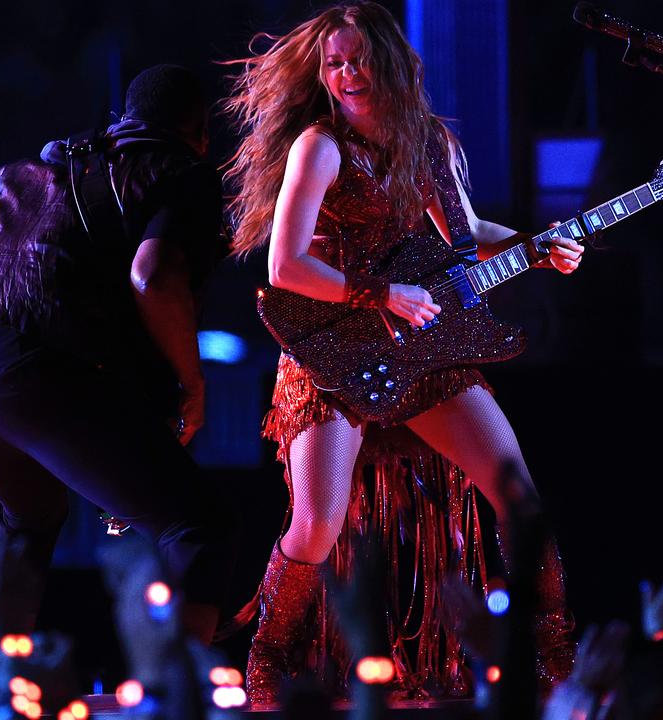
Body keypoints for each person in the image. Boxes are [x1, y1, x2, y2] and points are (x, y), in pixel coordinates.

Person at [223, 2, 581, 701]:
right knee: (318, 521)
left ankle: (554, 660)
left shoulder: (431, 146)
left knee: (520, 501)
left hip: (419, 345)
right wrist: (377, 293)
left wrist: (537, 250)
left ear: (389, 61)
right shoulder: (319, 147)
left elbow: (467, 234)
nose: (347, 73)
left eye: (358, 59)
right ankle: (266, 658)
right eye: (334, 63)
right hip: (328, 351)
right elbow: (285, 266)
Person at [0, 64, 236, 645]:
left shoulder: (47, 165)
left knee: (28, 518)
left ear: (125, 119)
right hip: (27, 362)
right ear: (201, 132)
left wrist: (6, 283)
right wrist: (193, 385)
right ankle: (178, 697)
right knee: (196, 525)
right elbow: (153, 276)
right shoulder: (183, 172)